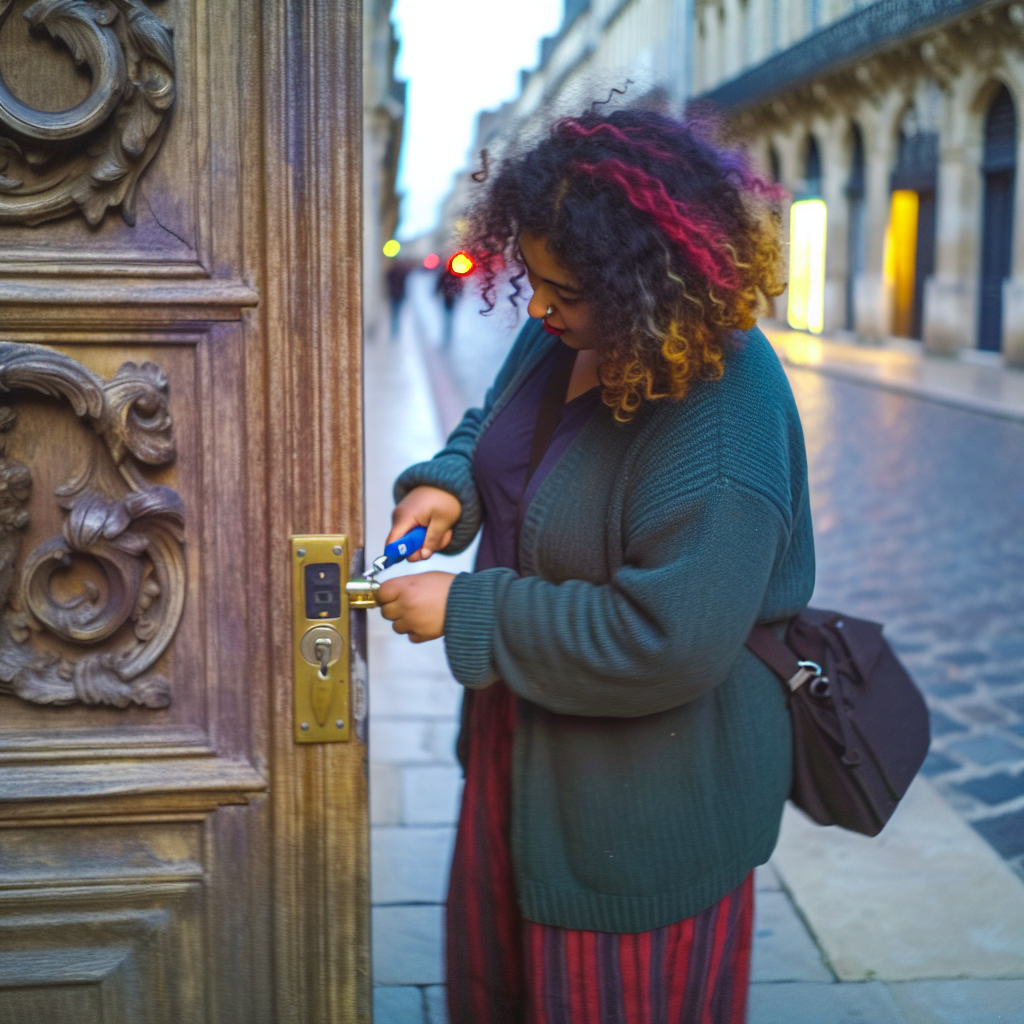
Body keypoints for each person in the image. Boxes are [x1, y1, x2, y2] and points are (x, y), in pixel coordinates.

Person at [377, 107, 813, 1024]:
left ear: (642, 286)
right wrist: (448, 490)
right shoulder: (563, 334)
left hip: (639, 806)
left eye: (562, 289)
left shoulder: (724, 415)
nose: (537, 306)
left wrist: (466, 613)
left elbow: (669, 642)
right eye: (533, 279)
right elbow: (490, 430)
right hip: (521, 751)